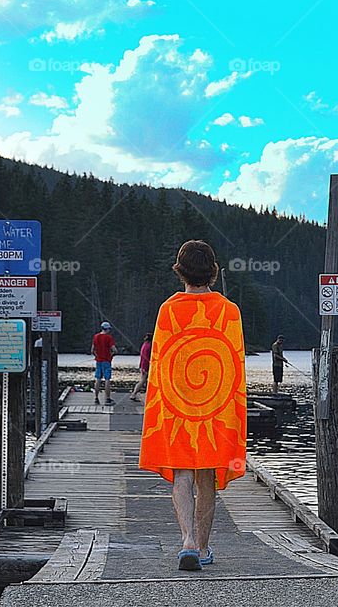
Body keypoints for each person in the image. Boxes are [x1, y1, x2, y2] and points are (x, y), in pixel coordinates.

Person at [138, 240, 246, 571]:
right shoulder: (230, 310)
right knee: (206, 478)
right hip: (215, 409)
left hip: (176, 406)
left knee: (181, 475)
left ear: (179, 270)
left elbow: (159, 363)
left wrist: (156, 406)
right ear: (213, 271)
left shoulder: (168, 309)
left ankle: (186, 540)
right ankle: (202, 547)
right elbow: (234, 367)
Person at [91, 321, 117, 406]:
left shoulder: (95, 336)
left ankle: (96, 398)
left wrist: (97, 355)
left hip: (98, 361)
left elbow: (92, 350)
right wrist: (111, 355)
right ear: (108, 329)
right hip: (106, 361)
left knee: (98, 379)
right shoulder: (109, 338)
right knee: (107, 379)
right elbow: (114, 350)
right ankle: (107, 399)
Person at [130, 333, 152, 402]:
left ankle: (145, 395)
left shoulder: (144, 345)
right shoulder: (149, 346)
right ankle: (134, 394)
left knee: (144, 381)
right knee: (142, 381)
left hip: (142, 365)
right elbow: (148, 357)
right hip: (146, 366)